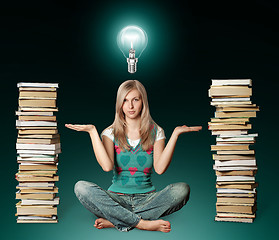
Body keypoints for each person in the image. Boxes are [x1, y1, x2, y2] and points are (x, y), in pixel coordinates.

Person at [65, 80, 202, 233]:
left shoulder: (156, 131)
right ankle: (143, 223)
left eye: (135, 100)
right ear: (119, 104)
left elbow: (160, 168)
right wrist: (92, 132)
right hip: (115, 199)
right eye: (125, 100)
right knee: (81, 187)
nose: (130, 106)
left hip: (148, 200)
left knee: (182, 189)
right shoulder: (109, 133)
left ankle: (116, 220)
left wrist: (175, 134)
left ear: (143, 101)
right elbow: (106, 166)